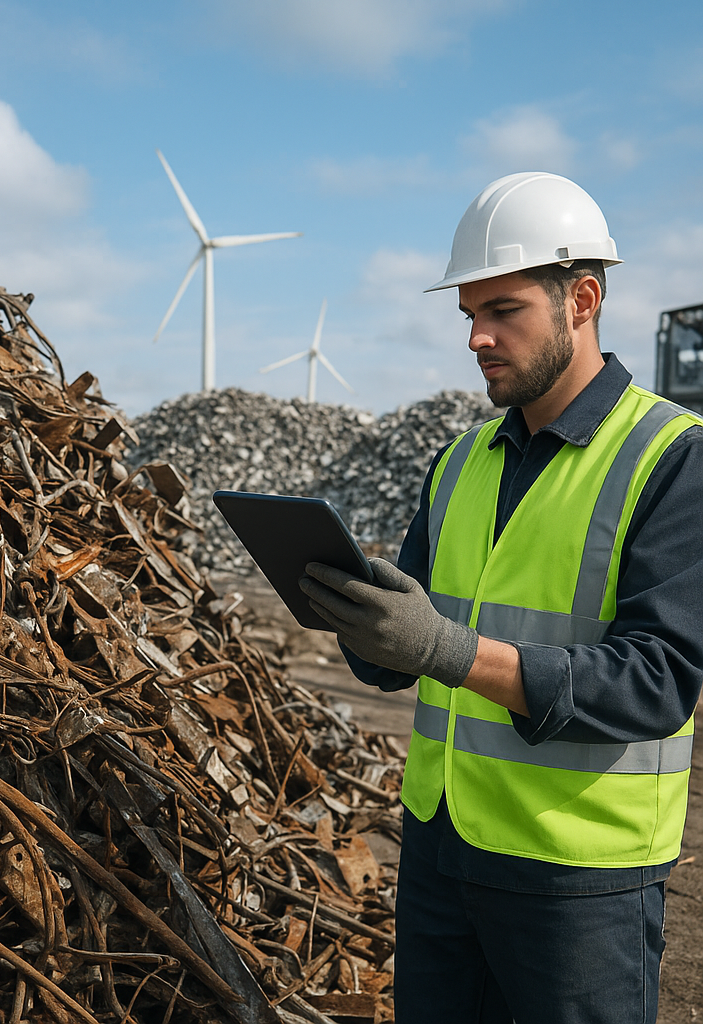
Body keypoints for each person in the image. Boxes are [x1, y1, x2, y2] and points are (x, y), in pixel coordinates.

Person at [298, 171, 703, 1024]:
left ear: (581, 299)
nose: (476, 338)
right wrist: (355, 618)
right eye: (468, 315)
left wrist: (446, 650)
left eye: (503, 311)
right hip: (444, 851)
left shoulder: (671, 456)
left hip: (577, 876)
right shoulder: (458, 461)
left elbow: (658, 681)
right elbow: (393, 658)